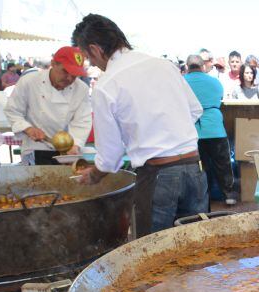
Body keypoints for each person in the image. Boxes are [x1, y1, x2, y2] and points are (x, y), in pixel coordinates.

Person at [72, 14, 207, 236]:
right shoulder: (164, 65)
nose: (92, 64)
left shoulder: (106, 86)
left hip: (158, 175)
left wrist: (94, 175)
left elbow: (110, 156)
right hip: (194, 170)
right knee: (195, 251)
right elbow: (194, 110)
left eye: (88, 57)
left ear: (95, 49)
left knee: (153, 255)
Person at [3, 46, 91, 166]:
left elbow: (82, 121)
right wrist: (28, 128)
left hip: (66, 151)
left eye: (75, 74)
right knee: (37, 182)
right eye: (65, 71)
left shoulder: (82, 89)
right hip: (36, 148)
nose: (70, 78)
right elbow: (12, 111)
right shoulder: (29, 82)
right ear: (53, 64)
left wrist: (75, 145)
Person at [184, 55, 238, 206]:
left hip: (193, 131)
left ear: (188, 67)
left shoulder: (182, 82)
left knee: (200, 167)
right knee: (223, 164)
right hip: (215, 129)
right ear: (202, 67)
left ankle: (203, 198)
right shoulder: (215, 82)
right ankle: (229, 196)